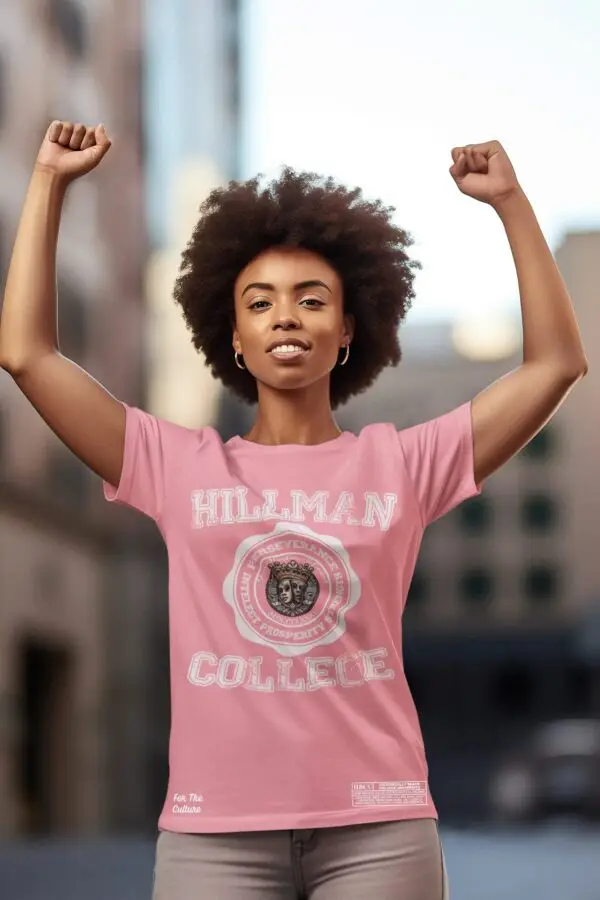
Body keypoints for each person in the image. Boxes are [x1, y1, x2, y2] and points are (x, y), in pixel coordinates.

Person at [0, 121, 587, 899]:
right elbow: (26, 354)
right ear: (233, 335)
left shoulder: (402, 464)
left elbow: (556, 364)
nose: (285, 316)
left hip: (379, 832)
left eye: (312, 300)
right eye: (260, 301)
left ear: (346, 331)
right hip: (213, 836)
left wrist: (510, 203)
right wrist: (47, 182)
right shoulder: (175, 464)